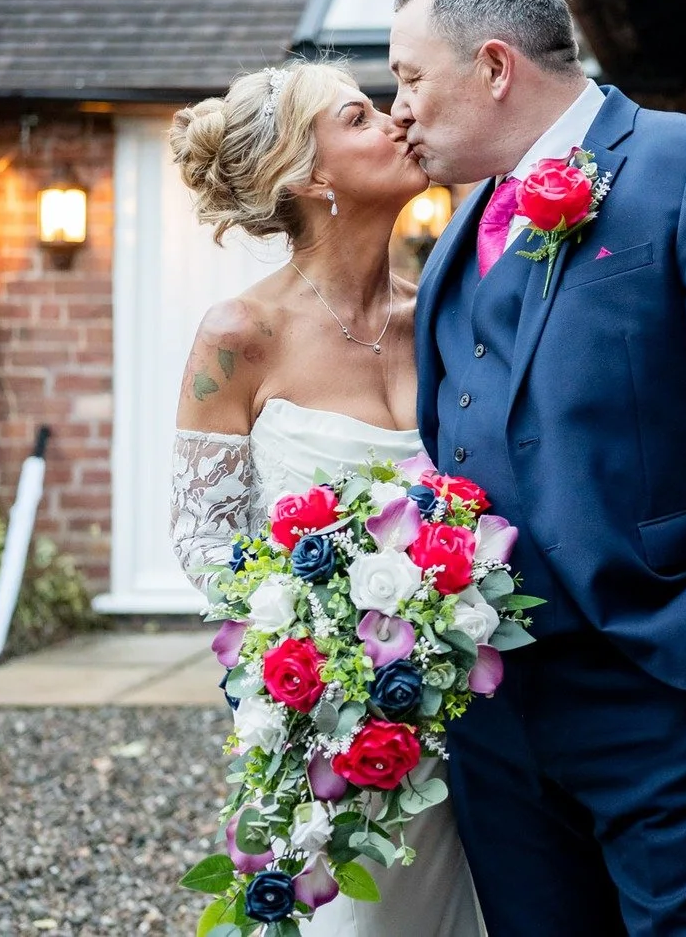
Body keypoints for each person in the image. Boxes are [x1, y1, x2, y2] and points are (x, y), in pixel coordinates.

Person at [387, 0, 686, 936]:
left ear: (494, 66)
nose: (398, 111)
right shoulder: (463, 224)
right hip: (496, 712)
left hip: (660, 683)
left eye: (410, 78)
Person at [166, 60, 486, 935]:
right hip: (330, 720)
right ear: (311, 176)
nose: (395, 121)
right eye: (360, 117)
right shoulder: (242, 335)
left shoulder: (445, 317)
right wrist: (313, 645)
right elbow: (204, 536)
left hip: (467, 709)